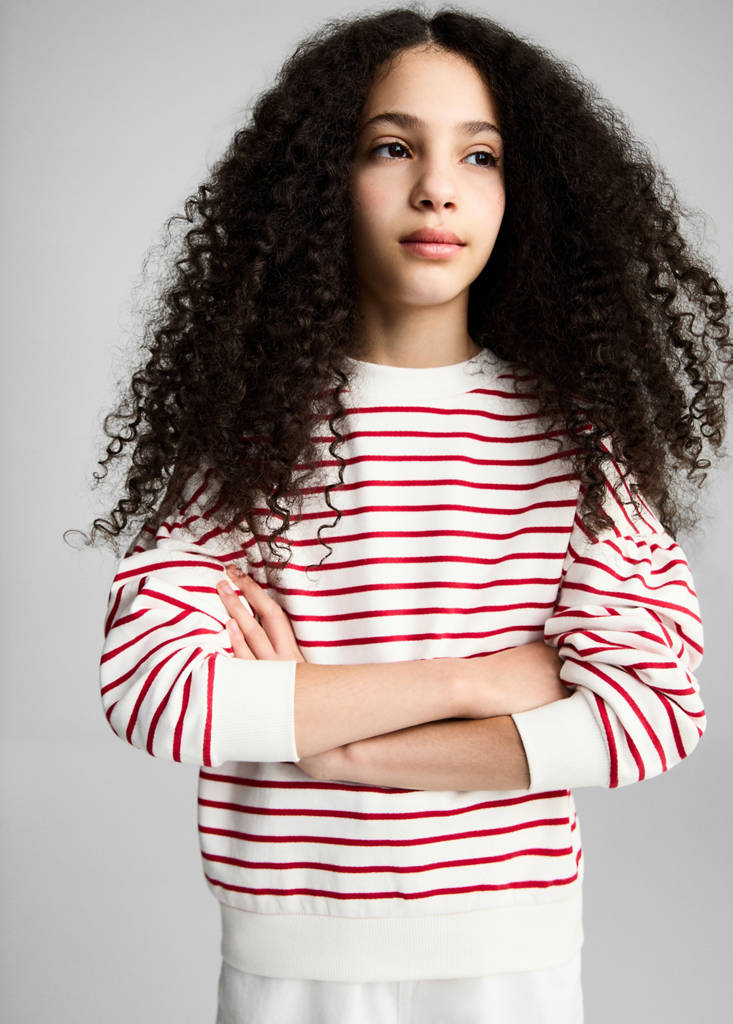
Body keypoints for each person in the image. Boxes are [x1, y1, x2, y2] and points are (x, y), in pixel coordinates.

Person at [83, 5, 731, 1022]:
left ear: (524, 195)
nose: (437, 186)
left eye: (480, 155)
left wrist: (334, 740)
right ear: (319, 183)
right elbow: (155, 695)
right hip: (291, 959)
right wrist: (479, 679)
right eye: (392, 147)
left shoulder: (574, 447)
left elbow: (653, 716)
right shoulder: (247, 440)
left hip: (512, 956)